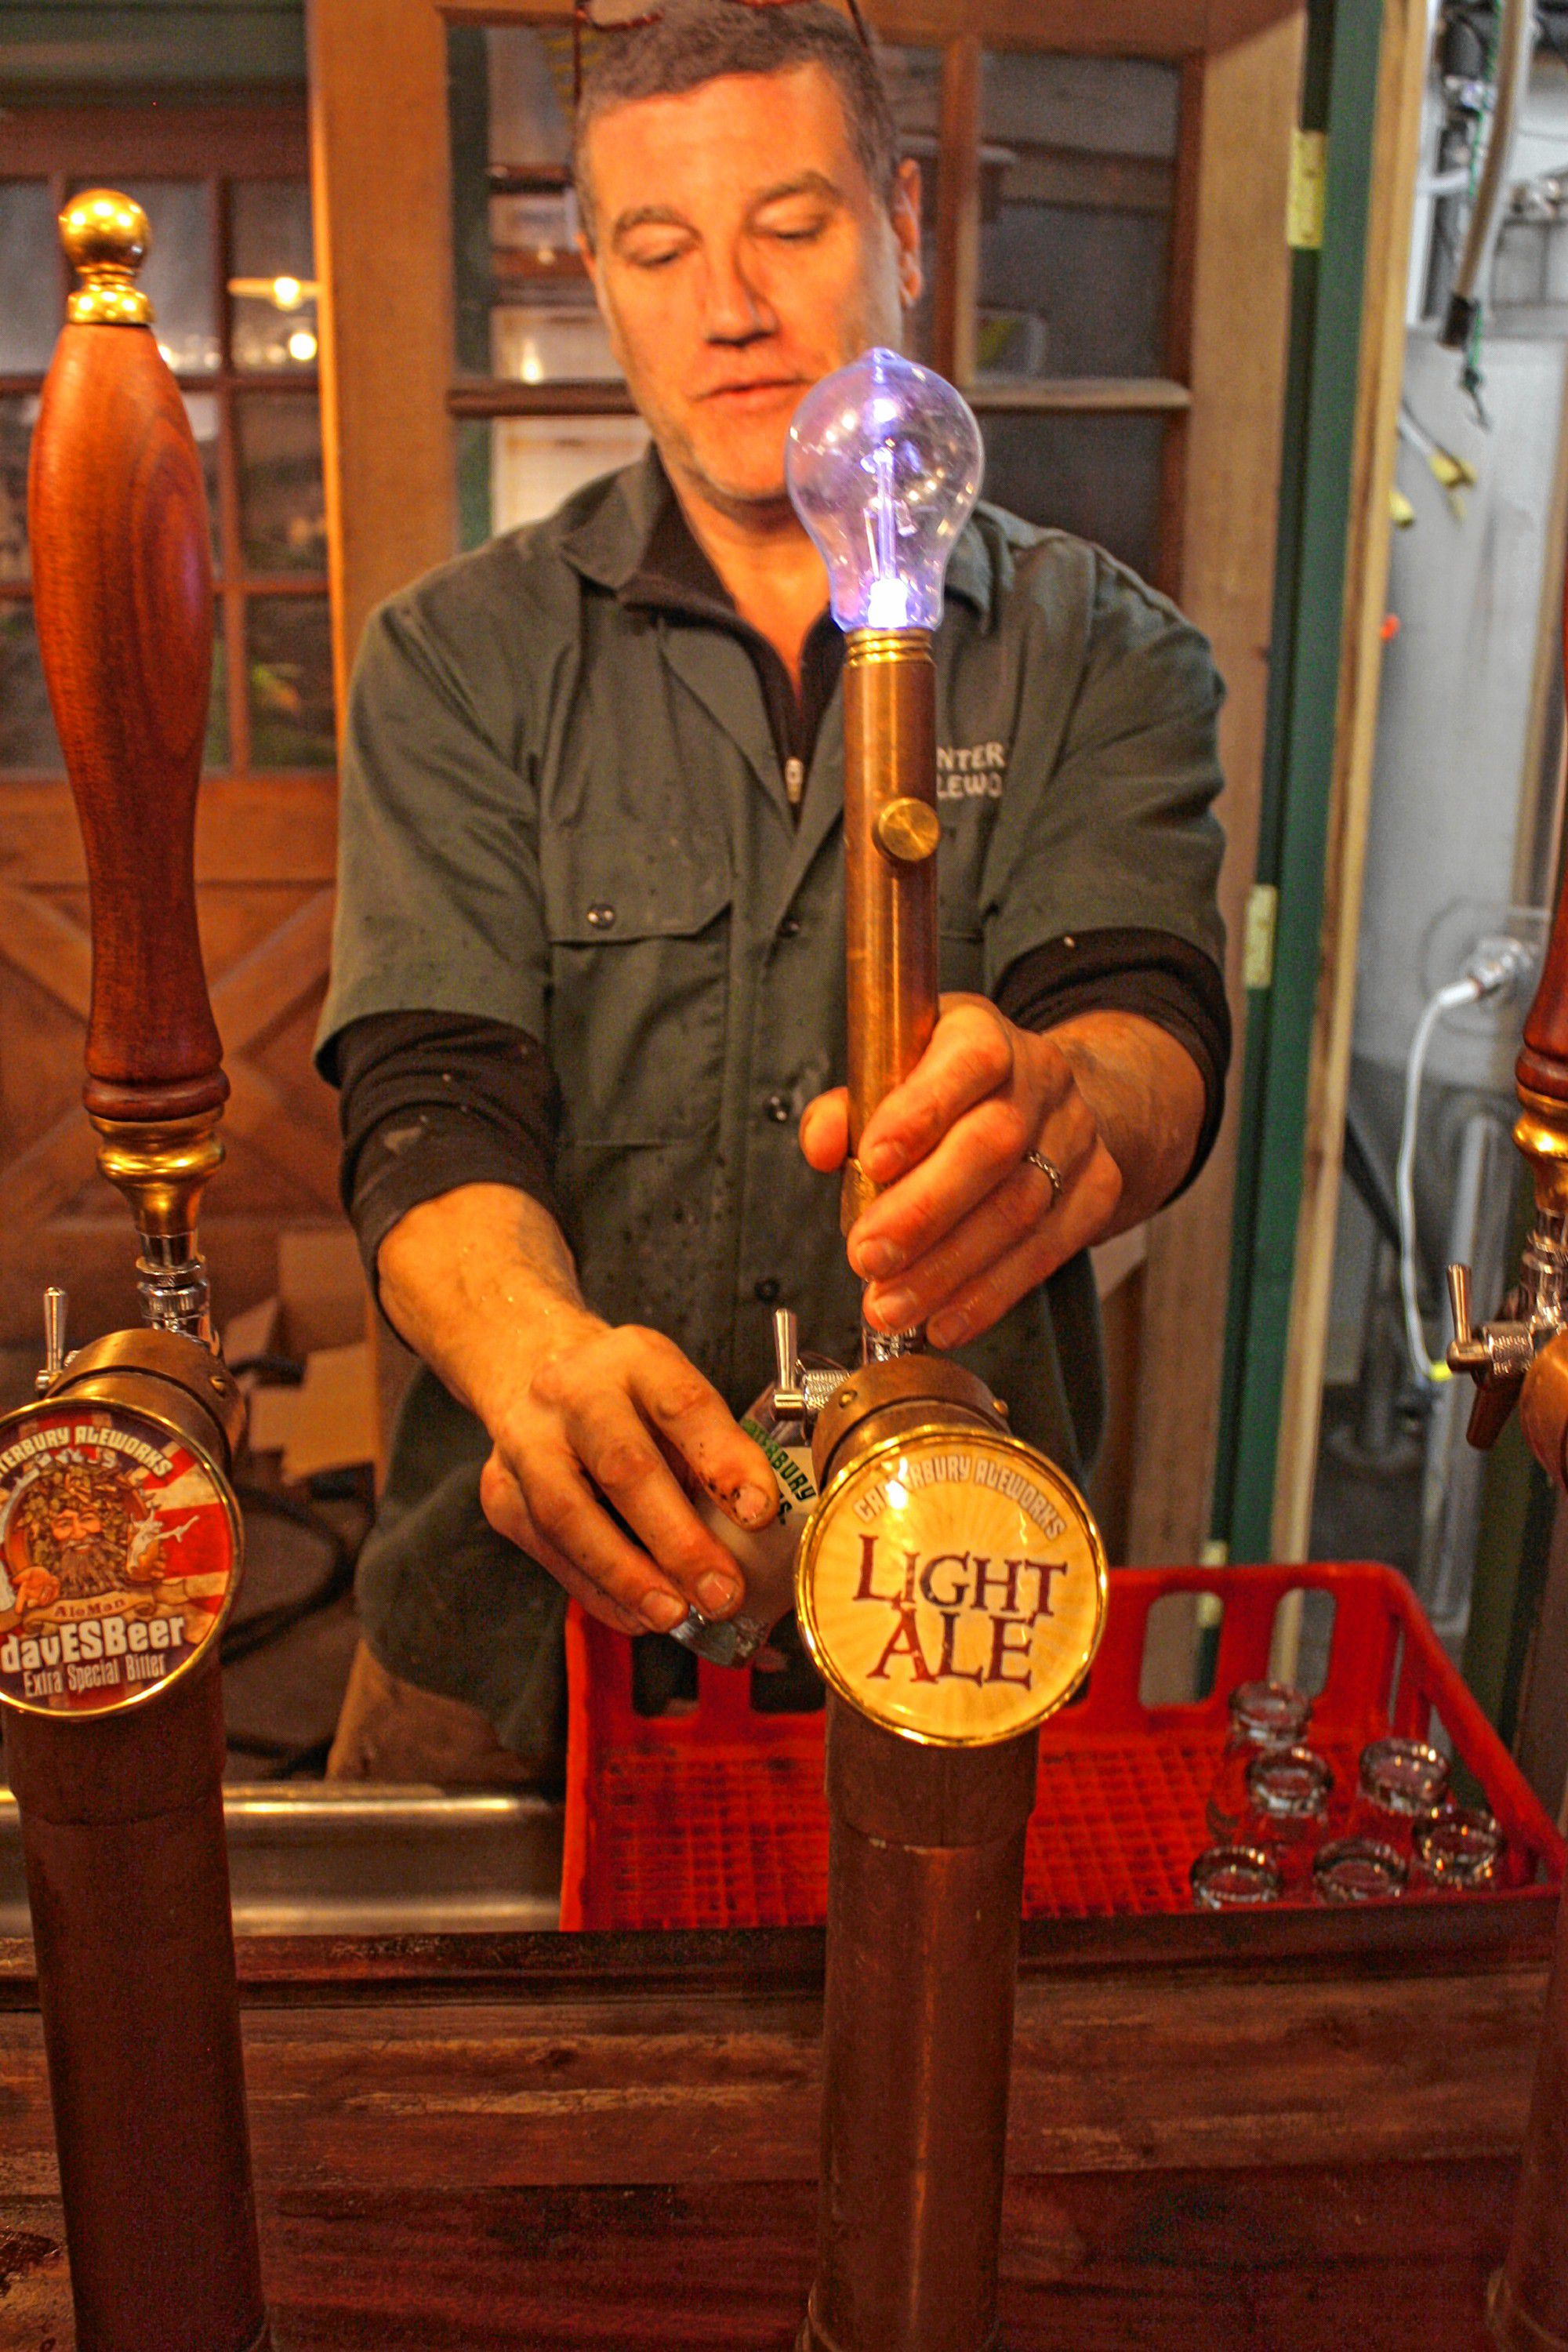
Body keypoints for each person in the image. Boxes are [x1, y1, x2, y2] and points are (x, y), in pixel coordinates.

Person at [315, 0, 1229, 1783]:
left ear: (901, 219)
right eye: (658, 246)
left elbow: (1143, 1019)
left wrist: (1066, 1109)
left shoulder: (1104, 652)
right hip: (508, 1645)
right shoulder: (456, 659)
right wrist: (536, 1356)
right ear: (598, 268)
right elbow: (429, 1100)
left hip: (944, 1618)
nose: (727, 303)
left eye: (789, 226)